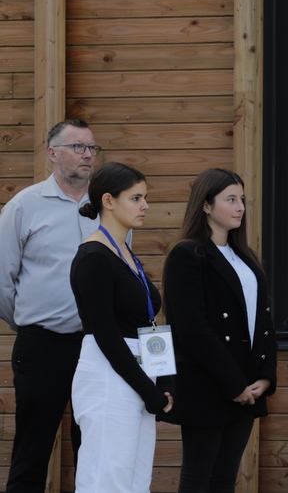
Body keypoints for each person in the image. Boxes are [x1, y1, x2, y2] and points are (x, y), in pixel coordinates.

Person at [159, 168, 277, 493]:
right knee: (198, 480)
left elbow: (263, 324)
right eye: (230, 199)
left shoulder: (245, 259)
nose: (240, 207)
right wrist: (233, 383)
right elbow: (192, 329)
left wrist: (265, 378)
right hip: (208, 385)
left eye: (242, 200)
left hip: (247, 388)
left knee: (225, 481)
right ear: (206, 206)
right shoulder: (188, 255)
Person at [0, 119, 100, 492]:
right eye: (78, 147)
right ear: (52, 153)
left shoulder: (107, 205)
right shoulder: (24, 205)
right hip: (42, 345)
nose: (87, 155)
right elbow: (1, 282)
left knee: (93, 447)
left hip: (96, 346)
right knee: (32, 450)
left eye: (92, 148)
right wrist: (31, 321)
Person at [70, 162, 174, 492]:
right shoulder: (94, 257)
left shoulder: (124, 252)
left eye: (145, 197)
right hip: (109, 377)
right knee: (107, 478)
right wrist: (147, 390)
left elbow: (145, 321)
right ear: (109, 201)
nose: (145, 206)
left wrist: (164, 377)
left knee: (135, 479)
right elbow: (106, 335)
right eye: (136, 198)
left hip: (137, 373)